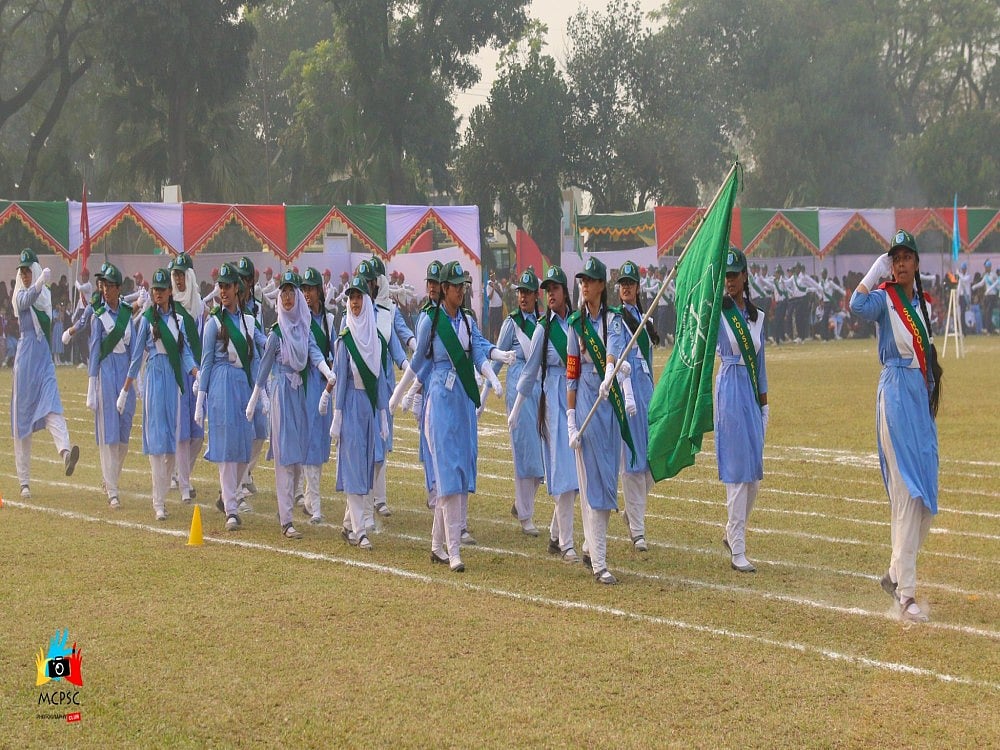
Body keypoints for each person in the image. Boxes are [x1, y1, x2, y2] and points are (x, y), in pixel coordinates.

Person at [389, 260, 508, 572]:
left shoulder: (467, 321)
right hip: (439, 399)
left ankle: (437, 546)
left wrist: (491, 376)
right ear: (443, 289)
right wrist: (401, 394)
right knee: (447, 474)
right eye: (455, 286)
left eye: (462, 286)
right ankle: (454, 551)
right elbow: (420, 362)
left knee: (458, 469)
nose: (460, 290)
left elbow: (476, 353)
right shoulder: (431, 320)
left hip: (461, 401)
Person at [850, 230, 942, 623]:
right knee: (906, 493)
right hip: (895, 393)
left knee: (924, 500)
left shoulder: (921, 304)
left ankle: (892, 573)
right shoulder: (885, 299)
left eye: (908, 258)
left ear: (917, 264)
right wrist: (873, 274)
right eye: (896, 258)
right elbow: (855, 304)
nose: (902, 263)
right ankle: (905, 595)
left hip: (918, 400)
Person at [249, 270, 334, 540]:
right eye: (283, 292)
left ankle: (285, 510)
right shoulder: (277, 332)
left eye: (291, 292)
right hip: (283, 394)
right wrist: (255, 399)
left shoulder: (304, 328)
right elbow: (263, 369)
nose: (286, 297)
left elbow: (314, 352)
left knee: (298, 458)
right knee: (285, 458)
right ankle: (286, 520)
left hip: (301, 394)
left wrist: (327, 371)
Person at [566, 256, 635, 585]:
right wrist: (569, 419)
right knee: (593, 482)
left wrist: (610, 371)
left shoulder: (614, 319)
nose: (584, 286)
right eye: (581, 281)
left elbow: (613, 348)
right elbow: (571, 373)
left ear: (600, 286)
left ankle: (589, 546)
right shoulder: (575, 324)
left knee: (608, 480)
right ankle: (600, 563)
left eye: (589, 281)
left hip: (609, 406)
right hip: (585, 409)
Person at [123, 268, 199, 520]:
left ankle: (163, 492)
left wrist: (195, 373)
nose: (157, 293)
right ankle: (158, 501)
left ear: (170, 292)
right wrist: (127, 389)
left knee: (172, 443)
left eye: (161, 289)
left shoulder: (177, 320)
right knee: (158, 442)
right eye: (154, 290)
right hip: (155, 377)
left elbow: (185, 351)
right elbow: (136, 357)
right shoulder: (146, 319)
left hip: (175, 381)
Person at [516, 266, 580, 561]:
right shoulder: (545, 326)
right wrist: (516, 408)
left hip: (578, 395)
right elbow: (530, 372)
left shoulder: (578, 324)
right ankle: (566, 543)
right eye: (548, 290)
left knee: (578, 474)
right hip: (554, 400)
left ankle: (555, 536)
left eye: (555, 289)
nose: (550, 294)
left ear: (566, 292)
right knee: (565, 473)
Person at [199, 262, 268, 532]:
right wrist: (201, 398)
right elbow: (206, 362)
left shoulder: (249, 320)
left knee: (245, 443)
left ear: (237, 289)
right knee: (228, 448)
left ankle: (228, 493)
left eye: (228, 286)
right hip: (221, 383)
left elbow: (261, 347)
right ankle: (231, 507)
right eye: (221, 287)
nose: (223, 291)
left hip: (243, 383)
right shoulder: (213, 322)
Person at [715, 248, 769, 573]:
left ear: (745, 276)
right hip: (729, 391)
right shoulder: (718, 313)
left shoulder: (758, 317)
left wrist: (766, 405)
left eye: (735, 275)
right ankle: (738, 550)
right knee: (737, 473)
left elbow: (761, 364)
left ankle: (731, 533)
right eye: (727, 276)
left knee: (753, 478)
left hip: (751, 394)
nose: (730, 281)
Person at [11, 249, 80, 497]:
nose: (25, 275)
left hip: (44, 357)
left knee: (53, 405)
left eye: (29, 270)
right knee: (22, 420)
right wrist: (39, 283)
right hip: (26, 358)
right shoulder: (21, 293)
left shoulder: (46, 295)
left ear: (36, 270)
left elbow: (39, 302)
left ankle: (65, 453)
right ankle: (24, 481)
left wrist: (41, 286)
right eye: (23, 271)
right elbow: (23, 302)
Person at [330, 274, 389, 550]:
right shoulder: (346, 339)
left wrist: (382, 415)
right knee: (353, 466)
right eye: (351, 298)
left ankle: (348, 524)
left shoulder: (375, 338)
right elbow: (341, 379)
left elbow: (378, 379)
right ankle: (360, 530)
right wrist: (337, 416)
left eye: (358, 297)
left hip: (368, 407)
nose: (354, 302)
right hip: (351, 405)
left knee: (364, 466)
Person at [494, 268, 544, 537]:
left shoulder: (543, 322)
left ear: (536, 295)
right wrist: (488, 381)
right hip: (518, 388)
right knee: (525, 453)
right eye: (520, 292)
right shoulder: (511, 323)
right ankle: (526, 515)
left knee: (542, 459)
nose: (522, 297)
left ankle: (521, 504)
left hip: (541, 391)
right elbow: (498, 355)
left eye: (527, 292)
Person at [614, 260, 658, 551]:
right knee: (632, 463)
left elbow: (651, 364)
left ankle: (632, 512)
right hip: (627, 398)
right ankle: (638, 530)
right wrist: (627, 395)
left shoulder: (648, 319)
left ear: (638, 287)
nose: (627, 287)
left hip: (647, 396)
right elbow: (616, 359)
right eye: (623, 283)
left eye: (631, 283)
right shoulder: (615, 320)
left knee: (651, 464)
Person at [87, 262, 137, 509]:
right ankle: (113, 491)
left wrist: (135, 382)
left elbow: (135, 351)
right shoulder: (99, 317)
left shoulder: (128, 315)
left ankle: (110, 480)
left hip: (125, 377)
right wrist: (90, 388)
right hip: (106, 375)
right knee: (109, 434)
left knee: (124, 435)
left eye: (110, 286)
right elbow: (95, 351)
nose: (105, 290)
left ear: (119, 288)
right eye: (103, 285)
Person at [297, 267, 337, 524]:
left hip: (323, 384)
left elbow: (334, 349)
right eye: (304, 289)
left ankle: (309, 496)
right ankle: (313, 502)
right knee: (308, 442)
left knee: (319, 443)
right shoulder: (298, 319)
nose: (307, 294)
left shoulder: (329, 320)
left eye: (311, 289)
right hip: (304, 382)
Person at [168, 253, 205, 503]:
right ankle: (184, 483)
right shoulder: (171, 307)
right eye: (175, 275)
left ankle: (181, 474)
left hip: (198, 372)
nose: (179, 280)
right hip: (179, 373)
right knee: (182, 432)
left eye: (182, 275)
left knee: (198, 434)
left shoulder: (200, 307)